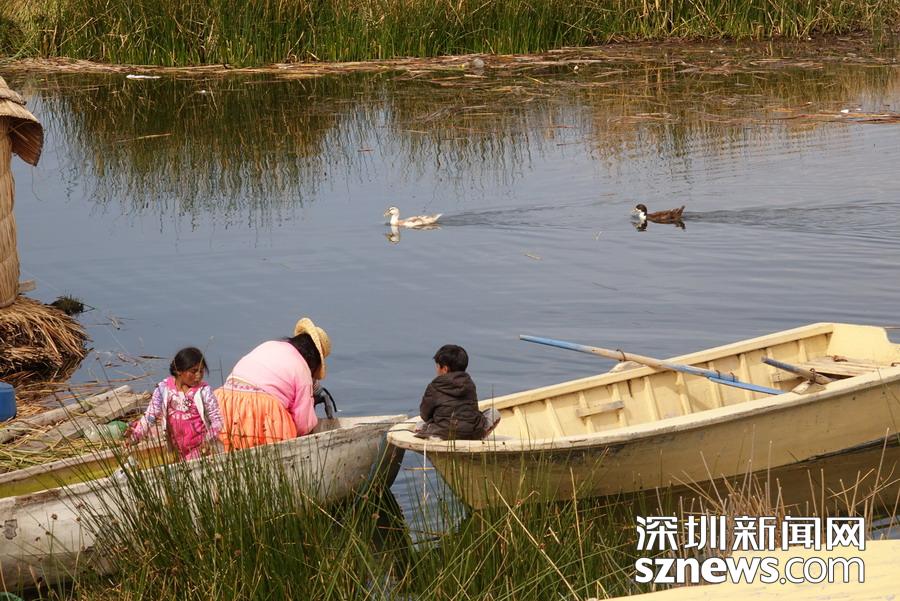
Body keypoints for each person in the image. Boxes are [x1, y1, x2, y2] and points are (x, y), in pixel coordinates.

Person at [216, 316, 330, 451]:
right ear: (314, 361)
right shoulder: (302, 368)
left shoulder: (268, 345)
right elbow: (303, 423)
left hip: (223, 402)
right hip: (260, 408)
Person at [127, 347, 224, 460]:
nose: (198, 375)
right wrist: (135, 437)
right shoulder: (164, 389)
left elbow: (217, 421)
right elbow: (150, 416)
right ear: (179, 371)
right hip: (177, 449)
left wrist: (207, 440)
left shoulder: (204, 391)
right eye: (193, 371)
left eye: (201, 371)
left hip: (201, 450)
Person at [415, 344, 500, 440]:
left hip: (442, 434)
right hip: (472, 433)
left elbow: (425, 415)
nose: (436, 369)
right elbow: (473, 411)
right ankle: (478, 436)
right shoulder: (470, 384)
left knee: (420, 424)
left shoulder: (434, 387)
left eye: (438, 366)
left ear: (445, 369)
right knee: (494, 412)